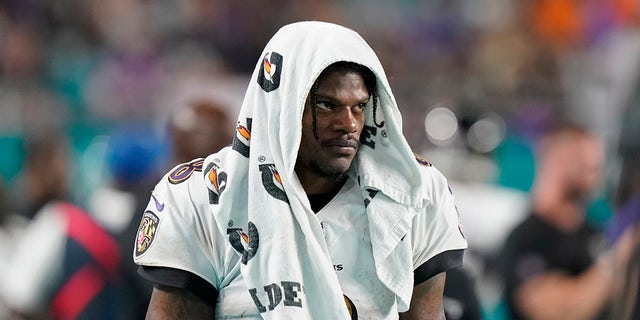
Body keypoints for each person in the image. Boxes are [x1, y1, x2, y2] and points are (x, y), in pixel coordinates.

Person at [133, 21, 467, 319]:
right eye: (327, 105)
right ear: (281, 105)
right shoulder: (204, 195)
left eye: (359, 106)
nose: (347, 124)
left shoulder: (414, 194)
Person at [0, 129, 130, 319]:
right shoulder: (22, 221)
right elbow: (19, 297)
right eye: (51, 162)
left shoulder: (73, 215)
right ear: (32, 169)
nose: (61, 170)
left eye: (64, 161)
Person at [498, 124, 613, 319]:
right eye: (586, 161)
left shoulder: (596, 234)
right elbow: (553, 312)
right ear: (558, 161)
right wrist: (614, 264)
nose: (596, 170)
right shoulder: (526, 238)